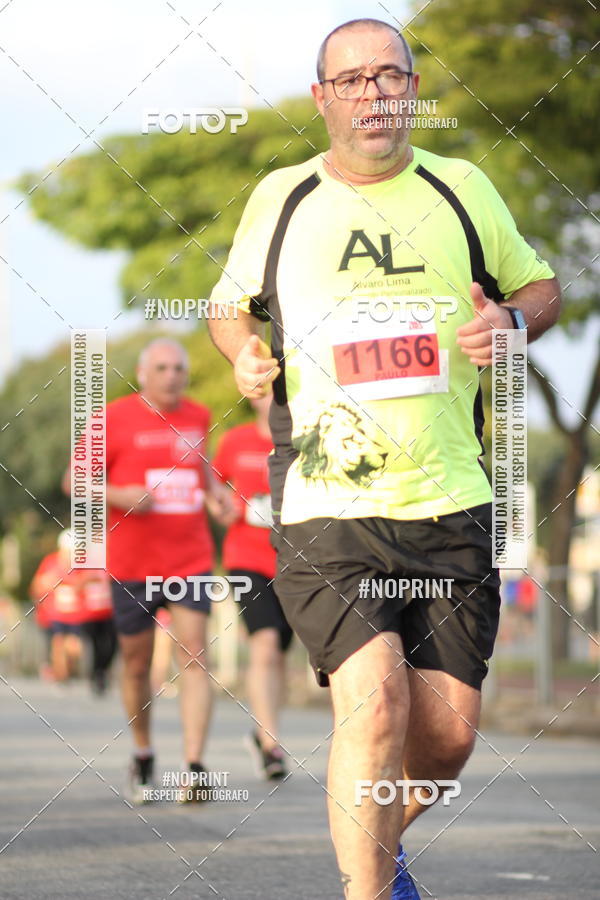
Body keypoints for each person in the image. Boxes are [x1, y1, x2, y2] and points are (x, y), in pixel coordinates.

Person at [207, 17, 561, 899]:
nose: (374, 92)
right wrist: (243, 353)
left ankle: (373, 840)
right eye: (353, 79)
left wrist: (511, 323)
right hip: (328, 498)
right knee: (374, 708)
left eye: (390, 76)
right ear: (322, 97)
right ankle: (367, 888)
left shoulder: (465, 188)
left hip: (449, 493)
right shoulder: (281, 197)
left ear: (412, 87)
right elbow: (228, 305)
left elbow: (541, 286)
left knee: (444, 741)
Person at [64, 338, 234, 804]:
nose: (172, 375)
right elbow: (72, 480)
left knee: (195, 654)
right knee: (137, 664)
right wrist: (120, 496)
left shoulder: (198, 415)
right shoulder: (113, 417)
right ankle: (142, 752)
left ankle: (195, 767)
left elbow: (202, 471)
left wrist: (218, 495)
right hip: (133, 564)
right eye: (162, 367)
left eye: (179, 367)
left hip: (190, 558)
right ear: (142, 373)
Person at [213, 394, 292, 779]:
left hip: (297, 560)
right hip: (246, 559)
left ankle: (262, 732)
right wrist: (222, 505)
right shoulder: (235, 441)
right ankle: (271, 745)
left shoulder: (306, 438)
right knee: (265, 644)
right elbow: (212, 487)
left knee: (280, 653)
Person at [30, 530, 85, 685]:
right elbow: (38, 585)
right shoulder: (51, 562)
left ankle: (68, 669)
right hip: (55, 613)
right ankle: (61, 676)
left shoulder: (82, 564)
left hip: (76, 614)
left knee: (74, 647)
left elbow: (88, 582)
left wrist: (75, 585)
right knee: (58, 642)